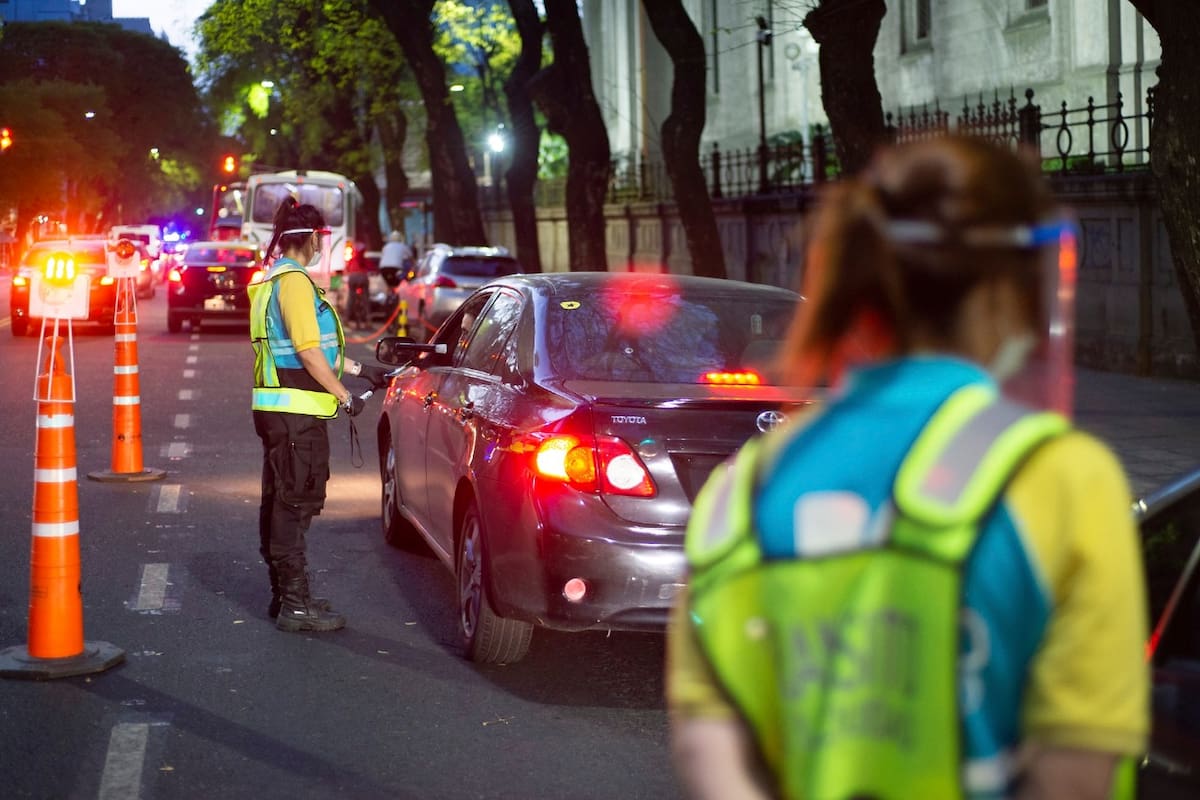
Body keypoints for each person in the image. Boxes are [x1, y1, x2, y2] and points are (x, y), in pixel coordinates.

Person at [667, 137, 1149, 799]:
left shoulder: (744, 491)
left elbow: (711, 744)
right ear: (1002, 289)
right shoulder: (1061, 479)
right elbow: (1077, 772)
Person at [248, 198, 392, 633]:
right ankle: (295, 603)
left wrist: (358, 369)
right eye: (321, 239)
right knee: (294, 504)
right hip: (297, 411)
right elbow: (309, 354)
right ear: (311, 238)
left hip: (280, 408)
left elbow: (303, 350)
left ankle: (284, 597)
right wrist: (347, 396)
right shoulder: (294, 283)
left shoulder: (274, 280)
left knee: (283, 499)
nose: (320, 246)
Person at [344, 241, 371, 331]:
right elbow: (371, 267)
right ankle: (368, 321)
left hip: (353, 278)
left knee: (351, 298)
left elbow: (347, 268)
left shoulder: (352, 259)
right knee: (366, 298)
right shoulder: (364, 259)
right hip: (363, 278)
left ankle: (346, 319)